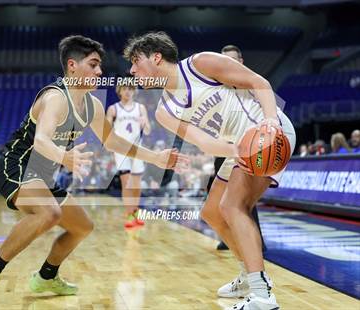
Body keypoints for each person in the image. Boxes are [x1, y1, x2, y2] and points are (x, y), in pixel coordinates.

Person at [0, 34, 188, 310]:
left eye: (99, 66)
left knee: (82, 226)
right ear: (72, 65)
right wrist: (64, 157)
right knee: (50, 213)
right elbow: (41, 140)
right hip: (19, 165)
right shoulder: (55, 97)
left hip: (43, 175)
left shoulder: (93, 105)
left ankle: (47, 276)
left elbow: (113, 141)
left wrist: (155, 156)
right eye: (93, 65)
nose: (99, 71)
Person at [125, 31, 296, 310]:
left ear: (156, 58)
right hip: (239, 147)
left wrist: (270, 121)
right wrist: (234, 150)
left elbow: (258, 82)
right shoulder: (163, 111)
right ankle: (247, 273)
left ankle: (262, 294)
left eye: (136, 61)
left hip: (268, 133)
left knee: (232, 207)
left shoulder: (200, 64)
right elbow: (206, 142)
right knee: (211, 212)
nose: (131, 70)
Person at [216, 45, 266, 253]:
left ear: (241, 61)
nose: (229, 64)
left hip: (249, 146)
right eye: (224, 60)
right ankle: (230, 238)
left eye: (233, 59)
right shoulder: (218, 88)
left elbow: (272, 111)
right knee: (221, 197)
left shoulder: (253, 82)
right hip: (223, 147)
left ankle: (256, 242)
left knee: (244, 198)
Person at [106, 84, 151, 228]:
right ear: (120, 91)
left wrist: (145, 124)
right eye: (125, 89)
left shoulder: (140, 108)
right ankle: (129, 215)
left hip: (137, 149)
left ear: (134, 91)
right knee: (127, 184)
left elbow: (148, 131)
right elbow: (106, 130)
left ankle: (135, 213)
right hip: (121, 150)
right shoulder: (113, 109)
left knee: (137, 186)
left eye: (131, 89)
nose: (128, 91)